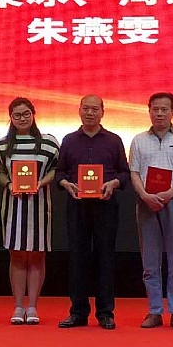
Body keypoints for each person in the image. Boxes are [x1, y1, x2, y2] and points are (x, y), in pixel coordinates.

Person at [55, 94, 130, 330]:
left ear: (102, 112)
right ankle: (78, 312)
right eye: (86, 108)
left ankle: (105, 313)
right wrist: (66, 184)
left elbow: (124, 173)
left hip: (105, 206)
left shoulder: (114, 140)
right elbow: (59, 173)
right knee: (77, 258)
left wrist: (113, 184)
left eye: (94, 109)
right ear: (79, 110)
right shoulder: (69, 140)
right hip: (77, 206)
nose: (89, 113)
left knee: (105, 258)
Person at [129, 92, 173, 330]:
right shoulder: (138, 140)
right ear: (149, 111)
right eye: (155, 109)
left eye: (164, 109)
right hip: (147, 203)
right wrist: (145, 195)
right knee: (150, 262)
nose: (159, 114)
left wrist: (169, 193)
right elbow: (134, 172)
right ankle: (154, 311)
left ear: (172, 112)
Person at [0, 97, 60, 325]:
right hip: (13, 207)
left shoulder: (49, 143)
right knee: (16, 255)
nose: (22, 119)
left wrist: (41, 183)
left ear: (33, 115)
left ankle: (32, 306)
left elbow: (57, 169)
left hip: (39, 207)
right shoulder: (2, 145)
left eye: (26, 114)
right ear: (11, 118)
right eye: (17, 115)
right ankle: (18, 306)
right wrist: (9, 184)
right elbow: (0, 173)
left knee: (36, 256)